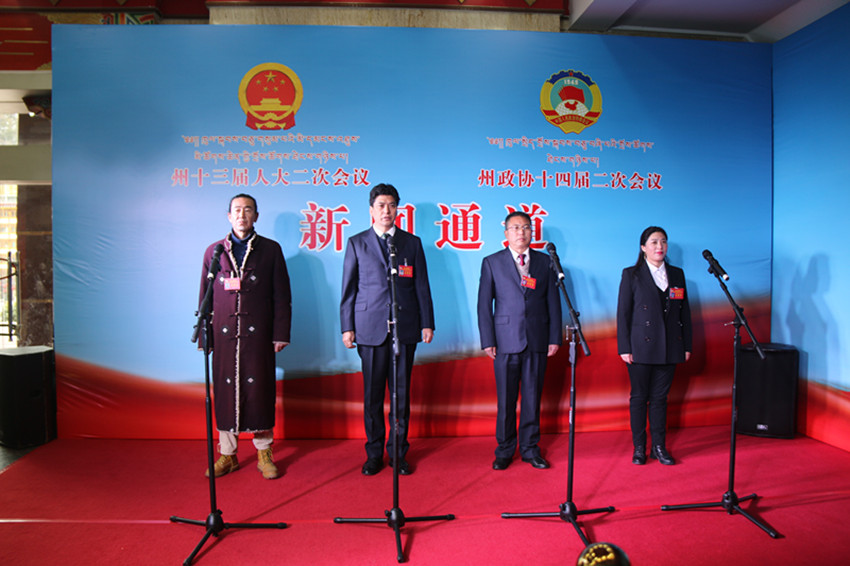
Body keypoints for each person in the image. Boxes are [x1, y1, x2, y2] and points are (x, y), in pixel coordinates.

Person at [340, 183, 435, 476]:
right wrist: (347, 327)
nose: (386, 211)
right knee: (372, 396)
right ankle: (373, 454)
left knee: (400, 395)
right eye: (381, 205)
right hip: (369, 328)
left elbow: (421, 285)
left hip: (405, 328)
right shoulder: (357, 242)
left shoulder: (411, 243)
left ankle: (398, 453)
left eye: (392, 205)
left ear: (397, 209)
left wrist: (427, 322)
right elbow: (349, 289)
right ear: (371, 210)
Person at [198, 193, 292, 480]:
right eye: (237, 210)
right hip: (224, 335)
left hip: (258, 334)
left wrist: (280, 333)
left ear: (256, 216)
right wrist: (205, 336)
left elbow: (282, 295)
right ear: (229, 216)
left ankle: (264, 451)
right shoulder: (214, 251)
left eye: (248, 210)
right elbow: (205, 296)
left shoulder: (270, 250)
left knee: (259, 390)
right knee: (225, 393)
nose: (242, 215)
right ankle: (228, 454)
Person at [477, 211, 562, 471]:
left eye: (526, 227)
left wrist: (554, 337)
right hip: (504, 340)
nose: (521, 232)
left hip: (537, 338)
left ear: (531, 232)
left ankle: (530, 449)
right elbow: (484, 305)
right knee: (506, 400)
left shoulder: (545, 262)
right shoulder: (492, 262)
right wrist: (488, 339)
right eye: (515, 227)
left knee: (532, 398)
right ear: (506, 233)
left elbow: (553, 303)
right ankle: (504, 450)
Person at [616, 226, 691, 466]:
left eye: (663, 242)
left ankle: (659, 447)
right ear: (643, 247)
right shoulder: (632, 274)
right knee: (639, 397)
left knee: (660, 399)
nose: (660, 246)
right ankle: (639, 447)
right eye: (654, 242)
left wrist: (686, 345)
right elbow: (623, 313)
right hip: (640, 346)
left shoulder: (677, 274)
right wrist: (624, 347)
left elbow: (685, 313)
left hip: (670, 346)